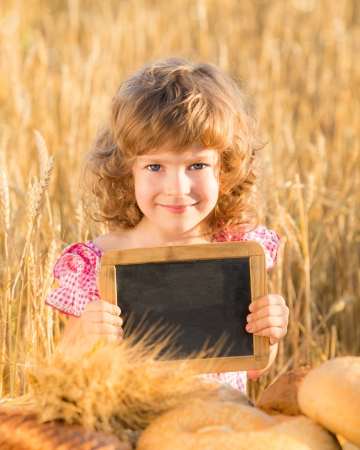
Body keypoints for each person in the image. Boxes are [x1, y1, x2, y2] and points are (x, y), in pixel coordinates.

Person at [45, 58, 289, 392]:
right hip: (133, 432)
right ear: (127, 171)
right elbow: (64, 370)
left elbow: (252, 368)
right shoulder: (101, 264)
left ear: (226, 168)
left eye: (198, 165)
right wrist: (87, 336)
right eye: (156, 166)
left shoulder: (235, 256)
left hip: (219, 427)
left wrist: (269, 332)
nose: (177, 188)